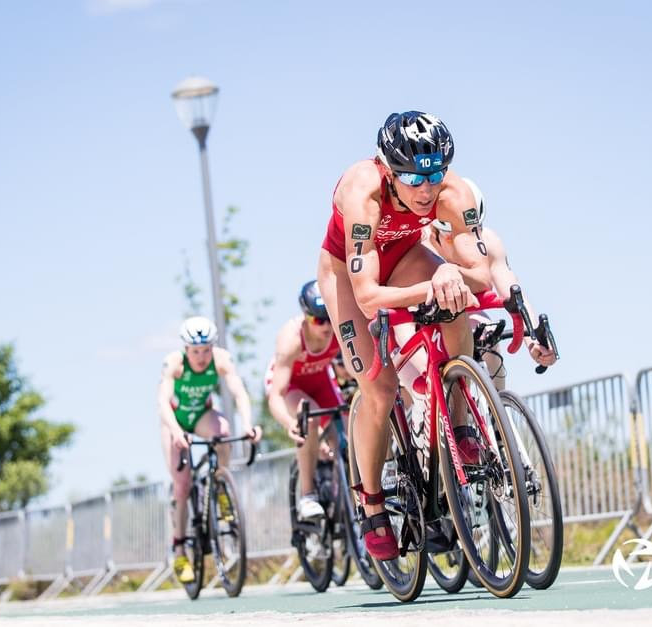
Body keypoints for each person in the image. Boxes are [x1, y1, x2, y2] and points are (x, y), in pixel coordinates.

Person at [316, 111, 494, 561]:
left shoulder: (455, 193)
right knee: (380, 386)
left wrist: (449, 278)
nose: (425, 188)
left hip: (406, 257)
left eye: (434, 174)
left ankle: (459, 422)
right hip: (349, 276)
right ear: (389, 170)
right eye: (412, 177)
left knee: (454, 297)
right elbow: (369, 296)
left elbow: (482, 273)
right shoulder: (362, 193)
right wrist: (438, 282)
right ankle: (372, 504)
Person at [422, 177, 557, 387]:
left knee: (488, 335)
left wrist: (532, 339)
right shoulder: (423, 247)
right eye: (452, 236)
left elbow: (512, 291)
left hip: (468, 309)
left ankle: (497, 413)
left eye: (474, 232)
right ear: (435, 232)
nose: (465, 243)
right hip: (427, 314)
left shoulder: (489, 242)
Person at [157, 316, 262, 583]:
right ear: (186, 349)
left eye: (206, 350)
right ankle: (179, 548)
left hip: (201, 416)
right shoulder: (175, 364)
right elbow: (162, 403)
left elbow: (239, 393)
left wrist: (248, 424)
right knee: (181, 485)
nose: (202, 357)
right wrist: (177, 433)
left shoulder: (222, 359)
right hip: (175, 420)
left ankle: (219, 485)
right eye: (195, 351)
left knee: (223, 433)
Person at [264, 280, 344, 520]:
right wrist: (290, 424)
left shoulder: (339, 328)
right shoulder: (291, 339)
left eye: (330, 317)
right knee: (308, 418)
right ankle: (307, 494)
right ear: (306, 316)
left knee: (347, 427)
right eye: (319, 320)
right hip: (291, 387)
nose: (326, 326)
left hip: (320, 381)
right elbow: (276, 395)